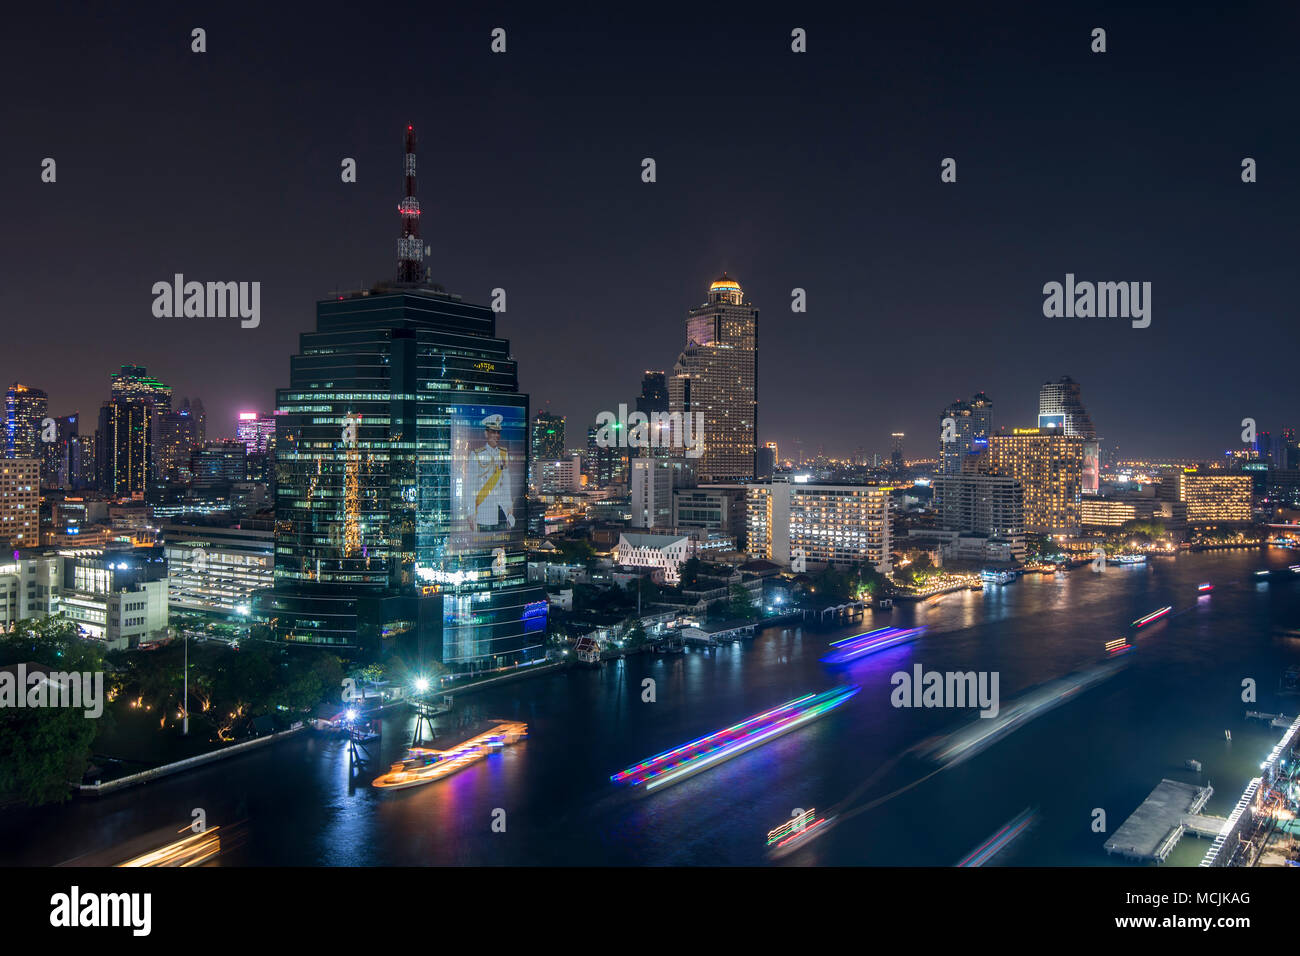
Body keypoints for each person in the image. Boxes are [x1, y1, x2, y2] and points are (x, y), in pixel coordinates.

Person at [466, 413, 515, 532]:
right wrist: (471, 513)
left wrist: (509, 508)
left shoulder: (504, 454)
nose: (496, 435)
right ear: (486, 433)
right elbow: (470, 487)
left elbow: (506, 485)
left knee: (502, 545)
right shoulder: (476, 455)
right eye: (493, 432)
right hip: (484, 511)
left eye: (498, 432)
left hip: (502, 510)